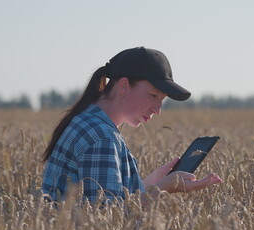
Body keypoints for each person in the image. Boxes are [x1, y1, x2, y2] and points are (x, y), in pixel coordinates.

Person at [41, 46, 222, 204]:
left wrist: (153, 181)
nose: (157, 109)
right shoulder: (102, 137)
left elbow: (109, 203)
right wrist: (164, 187)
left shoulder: (88, 120)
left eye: (162, 100)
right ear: (124, 86)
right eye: (153, 96)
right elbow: (108, 219)